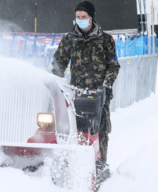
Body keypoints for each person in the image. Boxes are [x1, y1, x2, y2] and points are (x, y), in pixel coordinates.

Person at [51, 0, 120, 183]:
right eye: (77, 17)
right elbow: (58, 63)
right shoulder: (69, 39)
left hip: (99, 95)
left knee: (101, 130)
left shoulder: (105, 40)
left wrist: (106, 85)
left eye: (83, 17)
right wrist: (55, 82)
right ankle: (74, 164)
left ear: (91, 17)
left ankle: (100, 165)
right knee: (74, 131)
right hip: (76, 95)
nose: (80, 20)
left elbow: (113, 66)